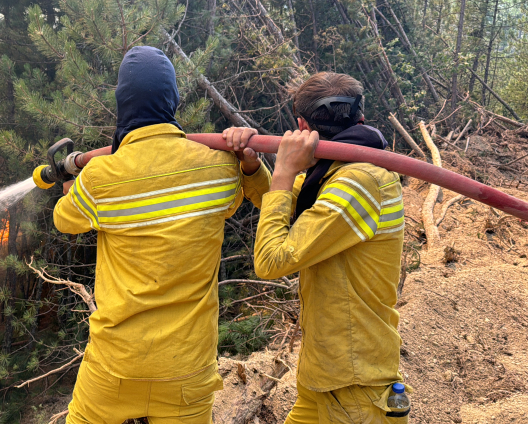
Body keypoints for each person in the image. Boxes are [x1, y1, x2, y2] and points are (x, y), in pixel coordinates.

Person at [53, 46, 272, 423]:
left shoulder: (99, 179)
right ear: (173, 99)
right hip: (186, 370)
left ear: (123, 104)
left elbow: (64, 220)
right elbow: (268, 196)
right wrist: (250, 163)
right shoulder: (219, 168)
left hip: (114, 367)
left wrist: (72, 184)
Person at [229, 72, 408, 423]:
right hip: (326, 377)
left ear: (300, 125)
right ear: (360, 117)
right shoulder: (329, 174)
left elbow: (271, 260)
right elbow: (281, 203)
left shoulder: (360, 182)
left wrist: (282, 172)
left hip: (356, 387)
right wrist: (252, 167)